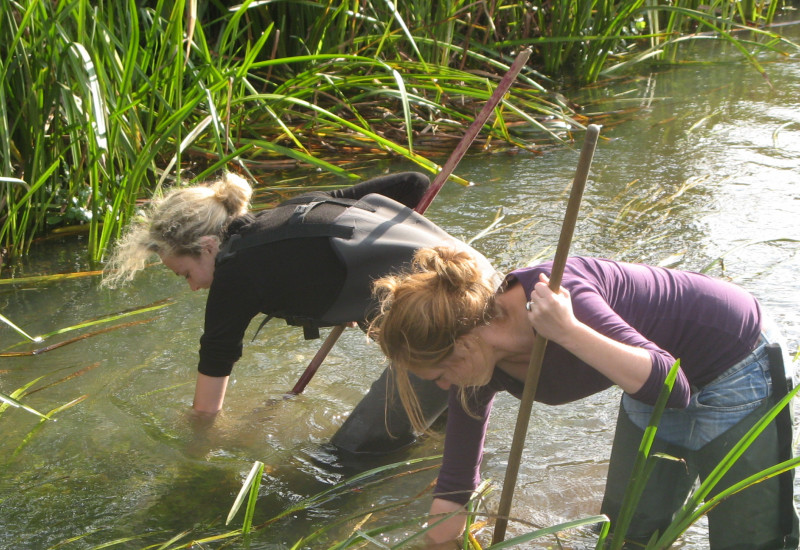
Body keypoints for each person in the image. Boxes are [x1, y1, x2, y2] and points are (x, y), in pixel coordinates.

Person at [369, 247, 799, 549]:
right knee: (626, 534)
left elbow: (674, 384)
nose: (443, 387)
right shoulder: (475, 369)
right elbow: (456, 484)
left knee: (750, 538)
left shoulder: (556, 292)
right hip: (640, 376)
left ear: (463, 343)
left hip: (735, 358)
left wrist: (569, 332)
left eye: (441, 373)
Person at [102, 172, 500, 454]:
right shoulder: (294, 210)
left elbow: (207, 407)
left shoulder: (234, 275)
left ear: (208, 246)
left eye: (185, 273)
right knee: (439, 442)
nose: (192, 286)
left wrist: (191, 447)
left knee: (353, 452)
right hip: (485, 287)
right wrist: (364, 265)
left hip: (450, 324)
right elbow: (413, 183)